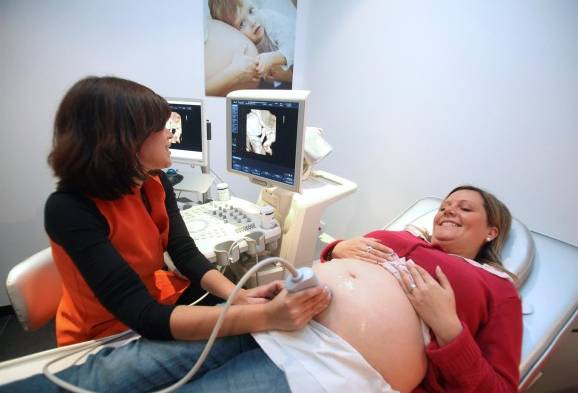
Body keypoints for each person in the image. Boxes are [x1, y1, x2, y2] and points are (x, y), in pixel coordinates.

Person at [0, 76, 331, 392]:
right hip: (107, 328)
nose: (171, 134)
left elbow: (183, 252)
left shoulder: (151, 180)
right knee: (248, 333)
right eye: (161, 128)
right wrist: (262, 315)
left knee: (251, 336)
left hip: (155, 300)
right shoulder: (69, 209)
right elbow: (143, 315)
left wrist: (238, 296)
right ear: (124, 142)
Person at [317, 185, 522, 392]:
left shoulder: (497, 287)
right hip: (296, 324)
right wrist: (336, 249)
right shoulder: (404, 235)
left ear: (491, 232)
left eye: (465, 209)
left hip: (354, 376)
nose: (447, 211)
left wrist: (449, 328)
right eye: (443, 207)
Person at [209, 0, 295, 88]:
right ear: (233, 33)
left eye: (251, 11)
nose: (252, 22)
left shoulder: (272, 20)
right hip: (278, 75)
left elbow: (292, 49)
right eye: (242, 24)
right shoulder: (242, 44)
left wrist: (271, 58)